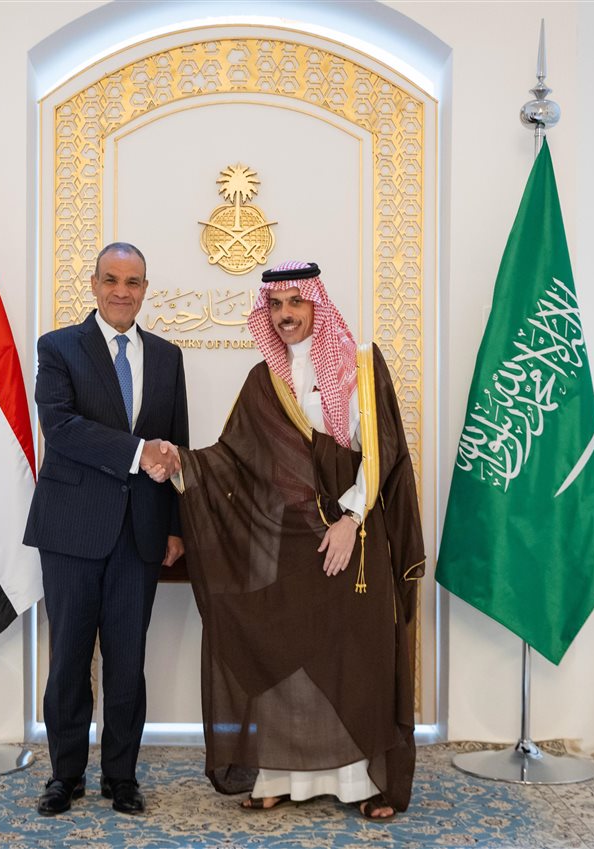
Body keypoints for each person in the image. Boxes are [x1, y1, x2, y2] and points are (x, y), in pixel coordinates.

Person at [150, 260, 425, 820]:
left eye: (295, 303)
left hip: (353, 539)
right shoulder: (263, 379)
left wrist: (350, 520)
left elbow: (382, 452)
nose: (284, 315)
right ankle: (281, 778)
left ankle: (361, 783)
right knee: (287, 657)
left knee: (354, 658)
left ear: (316, 305)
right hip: (290, 541)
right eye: (274, 306)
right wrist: (182, 465)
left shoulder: (361, 365)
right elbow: (232, 459)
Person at [24, 242, 189, 816]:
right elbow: (61, 427)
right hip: (71, 531)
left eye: (133, 282)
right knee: (69, 659)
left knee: (127, 663)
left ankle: (122, 777)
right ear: (94, 285)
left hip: (140, 533)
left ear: (145, 289)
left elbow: (176, 445)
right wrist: (138, 452)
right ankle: (64, 776)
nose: (122, 291)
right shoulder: (58, 347)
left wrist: (175, 527)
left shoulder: (167, 357)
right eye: (112, 280)